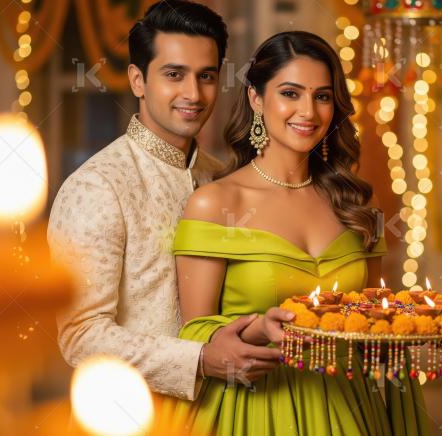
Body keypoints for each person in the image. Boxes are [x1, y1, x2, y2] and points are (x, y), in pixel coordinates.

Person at [158, 31, 433, 435]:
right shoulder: (216, 203)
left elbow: (372, 318)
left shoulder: (357, 207)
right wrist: (258, 328)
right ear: (256, 99)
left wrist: (411, 321)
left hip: (353, 400)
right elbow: (195, 333)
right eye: (290, 93)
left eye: (322, 96)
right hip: (256, 406)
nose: (308, 111)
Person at [48, 0, 286, 404]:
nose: (193, 94)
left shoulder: (223, 176)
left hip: (231, 412)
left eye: (206, 76)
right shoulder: (97, 187)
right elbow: (80, 335)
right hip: (131, 417)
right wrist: (199, 359)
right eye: (174, 75)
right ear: (138, 80)